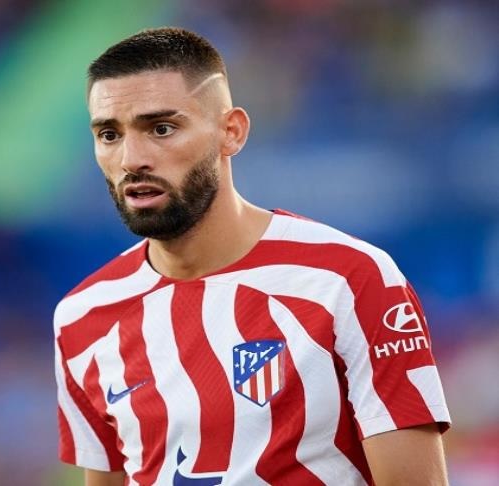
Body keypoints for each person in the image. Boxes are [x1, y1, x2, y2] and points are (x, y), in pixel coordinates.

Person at [54, 27, 451, 486]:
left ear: (231, 132)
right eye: (109, 134)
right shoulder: (82, 317)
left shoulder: (348, 279)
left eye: (161, 129)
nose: (131, 158)